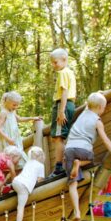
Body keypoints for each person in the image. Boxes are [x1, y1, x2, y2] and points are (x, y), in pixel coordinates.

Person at [64, 92, 111, 221]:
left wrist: (97, 94)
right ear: (100, 107)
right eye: (104, 107)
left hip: (69, 150)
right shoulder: (97, 122)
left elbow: (89, 103)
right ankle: (80, 163)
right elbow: (106, 140)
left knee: (72, 184)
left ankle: (77, 212)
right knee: (91, 159)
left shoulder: (83, 113)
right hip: (84, 150)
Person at [49, 48, 77, 176]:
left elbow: (64, 92)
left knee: (58, 137)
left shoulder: (62, 73)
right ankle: (64, 163)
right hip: (69, 104)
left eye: (55, 62)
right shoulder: (70, 72)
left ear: (64, 60)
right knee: (61, 137)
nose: (53, 65)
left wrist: (61, 111)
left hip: (63, 104)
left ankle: (59, 166)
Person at [0, 91, 41, 167]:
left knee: (19, 158)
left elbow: (19, 119)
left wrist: (33, 118)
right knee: (12, 159)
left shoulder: (12, 111)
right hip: (8, 141)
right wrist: (8, 139)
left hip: (14, 140)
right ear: (7, 102)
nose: (15, 107)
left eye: (17, 105)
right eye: (14, 105)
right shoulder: (4, 113)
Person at [12, 146, 46, 221]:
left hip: (16, 181)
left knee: (16, 187)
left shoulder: (29, 163)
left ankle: (9, 188)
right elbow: (40, 180)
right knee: (20, 207)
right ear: (41, 156)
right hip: (24, 187)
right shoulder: (41, 166)